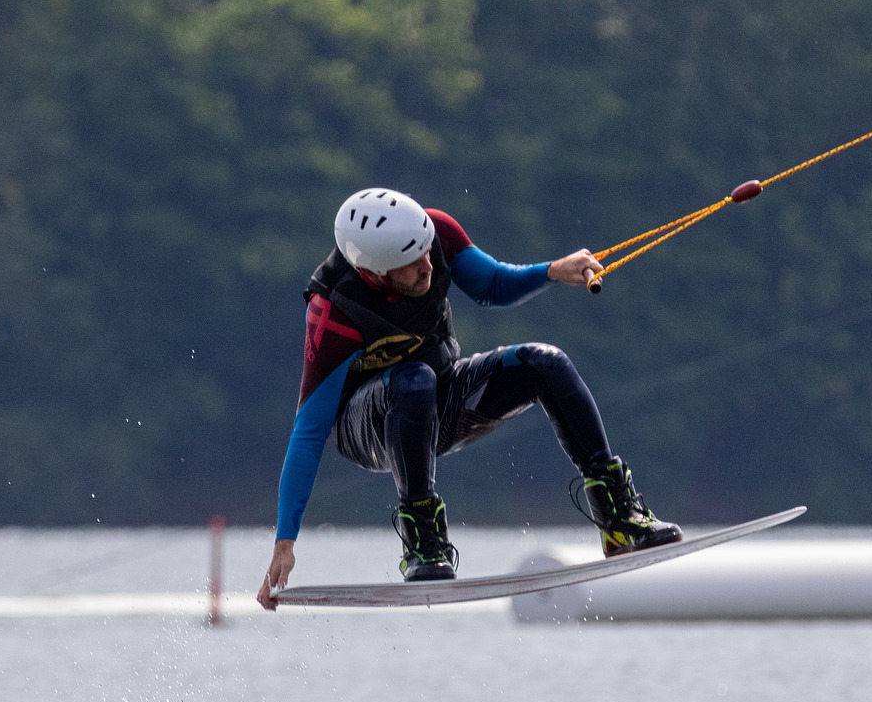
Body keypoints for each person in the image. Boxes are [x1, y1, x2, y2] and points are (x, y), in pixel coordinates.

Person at [257, 188, 682, 610]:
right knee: (413, 379)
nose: (429, 264)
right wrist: (285, 542)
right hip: (367, 428)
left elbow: (492, 285)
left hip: (440, 397)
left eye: (426, 252)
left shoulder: (436, 232)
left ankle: (618, 519)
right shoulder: (333, 309)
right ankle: (423, 543)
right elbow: (309, 432)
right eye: (413, 263)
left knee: (545, 362)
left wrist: (553, 270)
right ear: (376, 274)